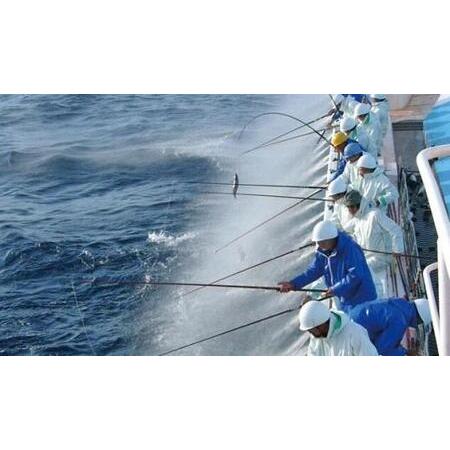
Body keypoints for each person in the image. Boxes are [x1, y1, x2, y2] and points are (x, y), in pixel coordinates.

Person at [278, 220, 377, 313]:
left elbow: (356, 275)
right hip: (344, 298)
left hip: (362, 298)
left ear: (332, 238)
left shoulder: (350, 248)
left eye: (322, 242)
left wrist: (336, 289)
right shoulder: (323, 251)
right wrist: (293, 284)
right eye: (318, 242)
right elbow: (313, 271)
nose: (319, 245)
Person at [344, 190, 404, 297]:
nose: (350, 210)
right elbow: (346, 231)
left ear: (358, 205)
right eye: (348, 207)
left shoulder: (375, 215)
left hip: (382, 258)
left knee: (357, 270)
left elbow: (396, 230)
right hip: (366, 257)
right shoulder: (358, 219)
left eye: (351, 207)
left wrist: (397, 249)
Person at [350, 298, 432, 356]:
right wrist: (405, 352)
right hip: (352, 336)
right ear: (419, 320)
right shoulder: (400, 321)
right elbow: (383, 349)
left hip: (350, 318)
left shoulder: (396, 304)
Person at [298, 300, 378, 356]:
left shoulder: (354, 333)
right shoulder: (316, 340)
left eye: (312, 330)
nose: (311, 334)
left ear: (321, 325)